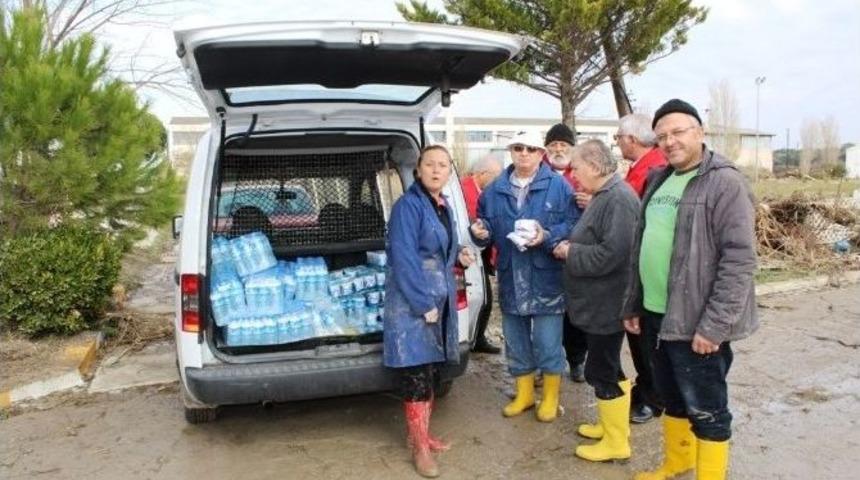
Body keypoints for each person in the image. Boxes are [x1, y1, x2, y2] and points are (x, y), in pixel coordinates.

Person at [624, 99, 758, 480]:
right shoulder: (658, 178)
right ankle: (677, 461)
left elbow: (740, 260)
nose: (669, 141)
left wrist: (714, 326)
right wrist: (634, 302)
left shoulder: (725, 181)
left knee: (707, 408)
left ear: (700, 132)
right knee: (670, 397)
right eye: (662, 135)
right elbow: (643, 244)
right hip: (654, 315)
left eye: (678, 131)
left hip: (696, 320)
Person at [470, 130, 580, 423]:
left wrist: (547, 236)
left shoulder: (560, 187)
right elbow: (485, 228)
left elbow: (573, 224)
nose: (524, 153)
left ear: (541, 153)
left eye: (531, 148)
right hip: (510, 276)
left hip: (546, 278)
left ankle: (551, 396)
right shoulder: (494, 191)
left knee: (547, 342)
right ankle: (525, 393)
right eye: (518, 148)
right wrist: (479, 233)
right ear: (510, 151)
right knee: (516, 341)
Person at [384, 145, 477, 478]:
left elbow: (442, 250)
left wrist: (459, 257)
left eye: (442, 165)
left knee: (432, 372)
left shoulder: (442, 205)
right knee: (416, 375)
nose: (436, 170)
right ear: (418, 170)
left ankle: (421, 435)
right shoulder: (408, 207)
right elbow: (404, 258)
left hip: (440, 301)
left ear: (449, 171)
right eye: (430, 165)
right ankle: (420, 448)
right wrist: (424, 305)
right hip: (414, 304)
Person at [553, 139, 640, 462]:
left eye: (576, 168)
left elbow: (613, 255)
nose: (574, 175)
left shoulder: (618, 199)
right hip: (600, 301)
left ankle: (616, 442)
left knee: (601, 370)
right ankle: (610, 426)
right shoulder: (607, 195)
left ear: (592, 165)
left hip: (608, 302)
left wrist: (571, 251)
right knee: (608, 367)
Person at [615, 113, 669, 424]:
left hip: (646, 271)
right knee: (639, 337)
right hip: (635, 268)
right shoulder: (643, 168)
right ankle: (647, 388)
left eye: (619, 138)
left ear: (632, 140)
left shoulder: (655, 170)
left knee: (647, 340)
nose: (618, 143)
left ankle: (653, 398)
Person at [543, 123, 589, 383]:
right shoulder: (539, 173)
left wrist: (590, 203)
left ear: (572, 149)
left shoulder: (584, 174)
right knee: (547, 313)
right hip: (545, 255)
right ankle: (549, 363)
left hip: (576, 255)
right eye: (554, 145)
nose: (558, 149)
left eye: (564, 145)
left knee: (575, 314)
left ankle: (577, 360)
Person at [461, 155, 504, 354]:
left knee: (484, 296)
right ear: (483, 174)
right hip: (470, 252)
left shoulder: (484, 191)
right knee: (482, 297)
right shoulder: (464, 190)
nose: (499, 179)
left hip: (483, 252)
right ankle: (474, 338)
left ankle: (478, 337)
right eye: (497, 175)